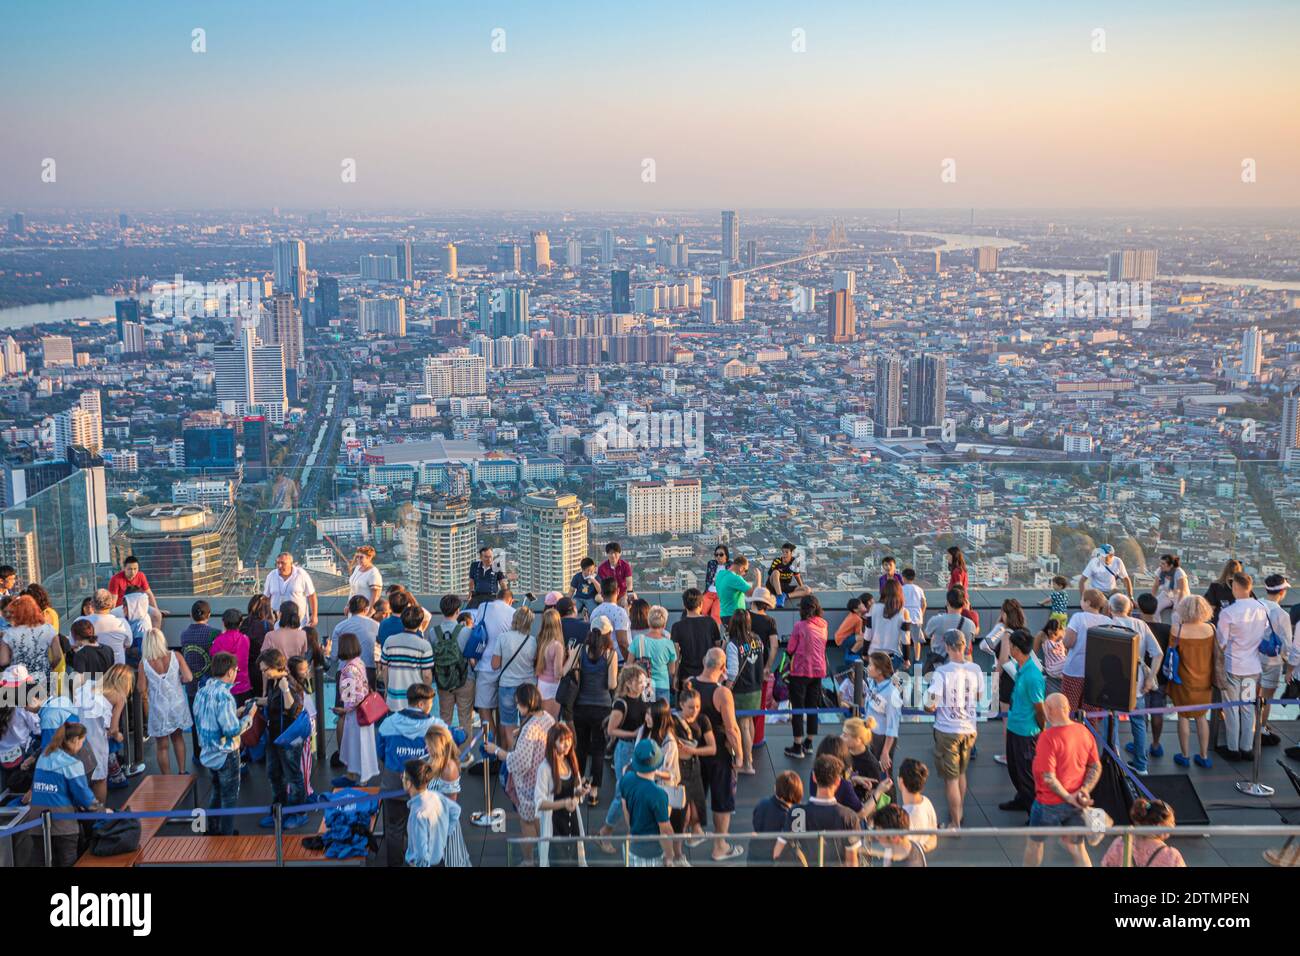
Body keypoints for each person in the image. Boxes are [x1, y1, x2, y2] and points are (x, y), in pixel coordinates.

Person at [1025, 693, 1100, 867]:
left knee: (1035, 844)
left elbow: (1049, 778)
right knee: (1078, 848)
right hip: (1077, 803)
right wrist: (1084, 791)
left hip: (1047, 804)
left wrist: (1067, 797)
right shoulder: (1084, 731)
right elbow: (1095, 766)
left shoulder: (1048, 737)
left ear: (1049, 711)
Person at [485, 684, 554, 865]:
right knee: (542, 818)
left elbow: (520, 761)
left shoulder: (530, 728)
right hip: (546, 779)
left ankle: (529, 860)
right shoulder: (547, 717)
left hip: (530, 784)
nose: (517, 707)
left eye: (519, 704)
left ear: (527, 703)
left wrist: (497, 751)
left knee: (527, 821)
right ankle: (546, 854)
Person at [375, 682, 442, 866]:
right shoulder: (433, 724)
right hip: (420, 786)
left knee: (394, 829)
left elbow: (380, 751)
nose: (431, 706)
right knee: (422, 828)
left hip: (392, 785)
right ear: (421, 704)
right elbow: (451, 741)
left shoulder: (388, 722)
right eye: (430, 702)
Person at [25, 722, 108, 865]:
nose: (83, 745)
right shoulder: (73, 764)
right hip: (63, 824)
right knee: (67, 861)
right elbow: (84, 797)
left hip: (36, 822)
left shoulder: (43, 758)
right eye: (83, 741)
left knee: (39, 861)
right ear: (75, 741)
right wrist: (103, 810)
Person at [689, 647, 744, 861]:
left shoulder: (690, 683)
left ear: (704, 661)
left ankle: (695, 833)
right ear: (723, 668)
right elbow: (731, 728)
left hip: (694, 747)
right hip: (718, 752)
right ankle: (720, 846)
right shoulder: (722, 693)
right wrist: (739, 755)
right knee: (722, 798)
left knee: (696, 792)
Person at [925, 628, 983, 829]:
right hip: (969, 729)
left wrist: (929, 704)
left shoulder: (941, 672)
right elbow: (979, 696)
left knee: (950, 779)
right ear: (965, 645)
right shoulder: (975, 669)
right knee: (961, 773)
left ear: (947, 647)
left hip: (947, 730)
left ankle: (955, 823)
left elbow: (931, 702)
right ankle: (960, 811)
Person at [193, 652, 249, 835]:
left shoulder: (202, 691)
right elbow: (231, 731)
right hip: (226, 754)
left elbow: (205, 719)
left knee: (216, 790)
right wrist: (249, 716)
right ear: (230, 671)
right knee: (229, 797)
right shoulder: (225, 697)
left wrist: (235, 713)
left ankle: (212, 828)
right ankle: (226, 835)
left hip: (208, 752)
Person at [1214, 571, 1268, 761]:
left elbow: (1221, 641)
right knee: (1247, 708)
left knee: (1231, 708)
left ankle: (1233, 748)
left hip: (1233, 666)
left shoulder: (1228, 613)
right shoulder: (1262, 608)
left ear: (1235, 587)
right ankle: (1247, 748)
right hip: (1253, 666)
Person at [1109, 593, 1163, 776]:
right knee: (1139, 724)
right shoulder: (1141, 625)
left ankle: (1115, 764)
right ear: (1129, 608)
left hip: (1112, 683)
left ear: (1110, 609)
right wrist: (1150, 678)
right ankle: (1141, 765)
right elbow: (1158, 653)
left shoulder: (1106, 625)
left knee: (1112, 725)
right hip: (1137, 683)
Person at [775, 754, 862, 867]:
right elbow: (852, 862)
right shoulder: (849, 816)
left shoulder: (797, 813)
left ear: (814, 778)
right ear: (838, 781)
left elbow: (777, 852)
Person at [597, 663, 649, 846]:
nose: (643, 684)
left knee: (635, 792)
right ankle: (606, 831)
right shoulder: (621, 704)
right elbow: (612, 730)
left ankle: (631, 831)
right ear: (628, 683)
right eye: (639, 681)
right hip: (625, 749)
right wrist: (633, 734)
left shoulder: (642, 699)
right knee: (622, 793)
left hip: (638, 748)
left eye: (644, 681)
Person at [257, 647, 309, 829]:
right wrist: (256, 701)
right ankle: (279, 811)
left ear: (275, 666)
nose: (264, 673)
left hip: (287, 737)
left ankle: (298, 812)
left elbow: (293, 709)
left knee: (293, 775)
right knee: (274, 774)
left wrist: (286, 689)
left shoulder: (288, 683)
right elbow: (273, 702)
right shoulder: (274, 681)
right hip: (275, 735)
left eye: (265, 670)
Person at [1001, 628, 1045, 814]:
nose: (1009, 648)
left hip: (1026, 733)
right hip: (1014, 727)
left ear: (1017, 649)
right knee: (1014, 768)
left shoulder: (1032, 676)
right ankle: (1022, 799)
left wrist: (1041, 731)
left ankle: (1033, 811)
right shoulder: (1020, 668)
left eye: (1010, 645)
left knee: (1026, 774)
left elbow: (1040, 708)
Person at [572, 621, 617, 805]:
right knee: (598, 750)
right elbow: (612, 684)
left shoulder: (581, 650)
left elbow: (573, 673)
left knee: (581, 747)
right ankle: (594, 792)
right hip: (602, 706)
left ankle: (580, 783)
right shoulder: (610, 654)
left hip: (581, 705)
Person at [1169, 594, 1215, 768]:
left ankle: (1185, 755)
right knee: (1202, 717)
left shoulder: (1177, 629)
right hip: (1205, 680)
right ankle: (1203, 756)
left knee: (1183, 717)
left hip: (1183, 680)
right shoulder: (1211, 629)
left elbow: (1171, 653)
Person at [138, 627, 193, 775]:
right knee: (178, 738)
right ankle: (182, 771)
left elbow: (141, 688)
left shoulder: (144, 663)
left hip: (158, 707)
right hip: (177, 704)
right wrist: (178, 679)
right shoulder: (176, 656)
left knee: (162, 745)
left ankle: (167, 778)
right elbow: (188, 677)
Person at [535, 721, 589, 867]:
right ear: (553, 743)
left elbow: (575, 791)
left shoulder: (570, 761)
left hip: (572, 822)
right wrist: (564, 803)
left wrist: (580, 791)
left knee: (574, 859)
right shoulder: (545, 768)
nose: (567, 745)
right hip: (555, 825)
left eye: (569, 740)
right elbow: (539, 803)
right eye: (562, 741)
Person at [784, 595, 828, 760]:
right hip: (818, 670)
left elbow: (790, 649)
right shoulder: (824, 624)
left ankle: (797, 746)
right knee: (812, 707)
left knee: (798, 708)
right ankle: (809, 743)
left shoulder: (799, 626)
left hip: (800, 671)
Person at [334, 631, 379, 788]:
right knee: (364, 744)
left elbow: (351, 697)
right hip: (366, 711)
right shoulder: (359, 662)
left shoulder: (348, 669)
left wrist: (343, 710)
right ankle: (358, 775)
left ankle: (357, 777)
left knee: (354, 744)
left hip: (355, 714)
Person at [724, 610, 764, 773]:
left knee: (743, 725)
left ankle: (747, 764)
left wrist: (726, 689)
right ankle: (750, 758)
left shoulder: (734, 644)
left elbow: (733, 671)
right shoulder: (757, 639)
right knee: (749, 722)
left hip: (741, 689)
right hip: (756, 687)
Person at [427, 594, 474, 733]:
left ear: (442, 610)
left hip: (443, 680)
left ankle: (444, 752)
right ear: (458, 611)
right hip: (465, 679)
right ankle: (465, 754)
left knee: (445, 719)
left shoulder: (433, 632)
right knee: (465, 719)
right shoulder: (466, 632)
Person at [1060, 588, 1113, 712]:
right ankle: (1087, 731)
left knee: (1069, 709)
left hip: (1074, 670)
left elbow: (1068, 642)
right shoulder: (1108, 621)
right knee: (1090, 712)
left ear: (1088, 602)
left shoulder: (1078, 617)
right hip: (1097, 674)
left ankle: (1071, 731)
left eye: (1082, 599)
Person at [673, 686, 714, 845]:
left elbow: (712, 748)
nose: (694, 710)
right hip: (678, 769)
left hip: (695, 767)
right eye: (691, 707)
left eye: (697, 706)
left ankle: (696, 833)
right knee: (682, 814)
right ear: (681, 704)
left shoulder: (703, 720)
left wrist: (692, 750)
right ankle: (677, 852)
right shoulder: (673, 721)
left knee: (697, 806)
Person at [402, 759, 460, 868]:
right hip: (439, 861)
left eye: (404, 777)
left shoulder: (417, 814)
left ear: (409, 783)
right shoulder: (437, 796)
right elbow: (455, 811)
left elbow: (421, 855)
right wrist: (443, 834)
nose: (402, 778)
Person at [493, 606, 537, 749]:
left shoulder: (502, 638)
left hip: (507, 686)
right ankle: (525, 757)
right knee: (528, 725)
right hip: (528, 687)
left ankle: (512, 759)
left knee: (508, 725)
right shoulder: (532, 641)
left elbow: (495, 665)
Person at [1134, 593, 1172, 756]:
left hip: (1141, 677)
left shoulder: (1137, 627)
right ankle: (1156, 744)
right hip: (1160, 676)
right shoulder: (1166, 629)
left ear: (1139, 607)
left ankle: (1139, 745)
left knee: (1141, 714)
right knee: (1158, 712)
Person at [380, 603, 435, 715]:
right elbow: (427, 675)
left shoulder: (389, 641)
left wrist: (386, 689)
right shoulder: (424, 645)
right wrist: (426, 693)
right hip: (416, 699)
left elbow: (384, 669)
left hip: (394, 698)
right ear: (420, 623)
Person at [1101, 798, 1185, 867]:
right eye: (1171, 822)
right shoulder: (1171, 855)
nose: (1173, 826)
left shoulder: (1120, 844)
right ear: (1159, 825)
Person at [1258, 574, 1290, 748]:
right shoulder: (1282, 614)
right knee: (1266, 698)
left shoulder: (1256, 605)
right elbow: (1288, 644)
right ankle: (1261, 728)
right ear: (1282, 591)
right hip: (1272, 661)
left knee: (1250, 697)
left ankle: (1249, 725)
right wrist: (1287, 661)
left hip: (1252, 659)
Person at [0, 595, 58, 682]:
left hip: (20, 680)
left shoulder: (9, 633)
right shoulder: (49, 629)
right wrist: (48, 667)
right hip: (45, 678)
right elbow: (58, 656)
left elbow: (4, 661)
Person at [671, 587, 721, 691]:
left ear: (684, 605)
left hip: (686, 675)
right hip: (707, 674)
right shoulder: (710, 622)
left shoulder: (677, 626)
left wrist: (675, 676)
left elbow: (676, 655)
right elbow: (717, 647)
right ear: (701, 604)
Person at [751, 770, 804, 867]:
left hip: (757, 854)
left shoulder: (763, 803)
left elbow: (756, 823)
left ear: (775, 788)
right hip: (780, 859)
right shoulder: (793, 817)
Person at [863, 652, 902, 771]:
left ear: (879, 671)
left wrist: (885, 752)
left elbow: (892, 726)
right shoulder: (872, 683)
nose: (867, 668)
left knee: (883, 776)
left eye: (870, 665)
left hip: (882, 740)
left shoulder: (891, 694)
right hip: (870, 735)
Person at [632, 604, 677, 703]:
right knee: (662, 716)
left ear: (648, 622)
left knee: (646, 715)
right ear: (664, 624)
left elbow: (628, 664)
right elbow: (672, 671)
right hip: (663, 685)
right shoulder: (669, 644)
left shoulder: (638, 640)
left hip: (644, 685)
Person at [923, 588, 976, 671]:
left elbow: (926, 634)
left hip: (939, 667)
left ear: (947, 603)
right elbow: (969, 644)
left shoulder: (936, 620)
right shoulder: (970, 624)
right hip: (961, 670)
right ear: (963, 604)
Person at [263, 552, 318, 629]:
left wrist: (314, 615)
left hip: (299, 623)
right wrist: (267, 616)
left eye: (283, 563)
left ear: (291, 564)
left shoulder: (301, 574)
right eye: (278, 563)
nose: (279, 566)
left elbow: (312, 595)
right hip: (277, 623)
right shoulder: (271, 576)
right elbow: (266, 597)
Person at [897, 757, 939, 856]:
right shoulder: (926, 802)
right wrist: (921, 849)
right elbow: (933, 837)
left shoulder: (903, 816)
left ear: (901, 781)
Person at [210, 608, 252, 707]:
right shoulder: (245, 639)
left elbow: (213, 656)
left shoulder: (218, 640)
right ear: (240, 623)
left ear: (223, 623)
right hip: (243, 685)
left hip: (224, 687)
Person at [534, 608, 571, 718]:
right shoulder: (557, 645)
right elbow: (558, 673)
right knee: (551, 723)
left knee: (542, 722)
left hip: (541, 683)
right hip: (552, 687)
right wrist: (571, 658)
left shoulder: (540, 640)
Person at [870, 579, 914, 672]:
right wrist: (906, 659)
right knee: (890, 683)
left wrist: (865, 653)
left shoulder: (874, 609)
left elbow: (868, 634)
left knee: (875, 684)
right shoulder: (903, 612)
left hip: (875, 655)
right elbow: (905, 640)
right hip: (892, 656)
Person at [106, 554, 161, 626]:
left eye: (135, 569)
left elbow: (149, 593)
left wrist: (156, 608)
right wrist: (110, 616)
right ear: (124, 568)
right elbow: (113, 601)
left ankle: (153, 636)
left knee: (157, 615)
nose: (133, 572)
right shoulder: (116, 579)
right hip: (123, 608)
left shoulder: (141, 576)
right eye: (130, 569)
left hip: (138, 606)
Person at [83, 589, 133, 666]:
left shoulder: (80, 622)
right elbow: (128, 644)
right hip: (116, 671)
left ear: (92, 604)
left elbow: (73, 644)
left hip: (91, 671)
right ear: (111, 604)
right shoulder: (122, 623)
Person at [712, 554, 761, 629]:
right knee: (741, 639)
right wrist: (758, 577)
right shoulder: (735, 578)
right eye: (746, 570)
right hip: (736, 616)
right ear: (741, 568)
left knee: (730, 639)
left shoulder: (720, 574)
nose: (744, 574)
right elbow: (754, 594)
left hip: (724, 615)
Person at [589, 577, 631, 663]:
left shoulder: (595, 612)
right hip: (619, 660)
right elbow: (622, 642)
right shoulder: (620, 612)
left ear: (601, 593)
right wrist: (629, 662)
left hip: (600, 660)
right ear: (618, 591)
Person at [240, 595, 274, 699]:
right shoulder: (268, 625)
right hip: (264, 668)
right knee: (263, 699)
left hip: (247, 669)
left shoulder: (245, 623)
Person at [1204, 559, 1245, 625]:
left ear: (1224, 570)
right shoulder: (1243, 587)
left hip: (1219, 623)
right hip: (1239, 624)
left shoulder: (1215, 586)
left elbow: (1210, 607)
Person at [1152, 554, 1190, 623]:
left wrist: (1177, 605)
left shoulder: (1179, 572)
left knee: (1176, 615)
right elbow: (1156, 585)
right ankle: (1158, 627)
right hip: (1167, 594)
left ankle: (1174, 632)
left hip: (1180, 596)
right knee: (1153, 609)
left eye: (1163, 563)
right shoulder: (1160, 570)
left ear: (1171, 565)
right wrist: (1152, 598)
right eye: (1160, 563)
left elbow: (1182, 591)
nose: (1160, 565)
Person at [1035, 617, 1067, 697]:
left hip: (1063, 662)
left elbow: (1068, 650)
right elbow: (1034, 652)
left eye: (1055, 633)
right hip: (1052, 666)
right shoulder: (1042, 635)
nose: (1052, 635)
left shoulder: (1063, 633)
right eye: (1050, 632)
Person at [701, 544, 730, 626]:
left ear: (726, 555)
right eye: (716, 555)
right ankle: (704, 632)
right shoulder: (711, 563)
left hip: (721, 595)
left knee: (715, 615)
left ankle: (716, 636)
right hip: (709, 592)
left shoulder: (730, 565)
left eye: (721, 554)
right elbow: (708, 578)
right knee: (701, 611)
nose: (718, 557)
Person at [596, 541, 633, 606]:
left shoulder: (625, 566)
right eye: (610, 553)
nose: (613, 556)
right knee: (597, 598)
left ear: (620, 553)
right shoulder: (602, 568)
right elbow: (601, 585)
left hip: (622, 594)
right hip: (608, 595)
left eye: (615, 553)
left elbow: (629, 583)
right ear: (607, 554)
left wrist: (628, 594)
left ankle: (626, 616)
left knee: (629, 600)